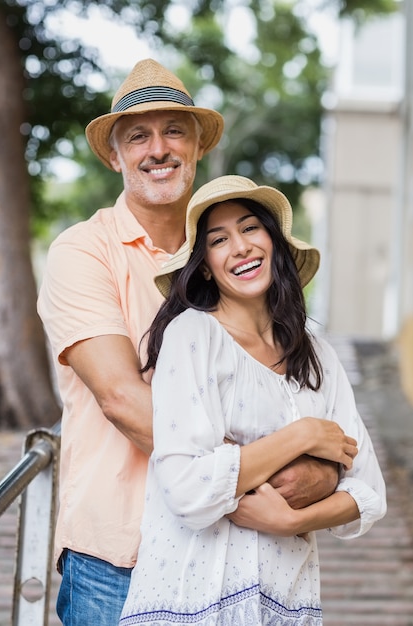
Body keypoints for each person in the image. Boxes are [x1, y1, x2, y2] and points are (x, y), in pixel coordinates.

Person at [37, 59, 338, 625]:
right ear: (114, 155)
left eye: (175, 130)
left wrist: (319, 470)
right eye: (138, 136)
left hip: (237, 559)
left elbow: (299, 394)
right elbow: (123, 399)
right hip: (120, 559)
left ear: (197, 146)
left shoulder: (234, 258)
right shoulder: (83, 252)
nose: (159, 149)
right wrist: (272, 468)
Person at [119, 175, 387, 626]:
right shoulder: (193, 336)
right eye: (218, 240)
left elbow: (368, 493)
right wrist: (303, 436)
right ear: (204, 265)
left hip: (286, 599)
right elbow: (186, 487)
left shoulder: (317, 354)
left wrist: (284, 520)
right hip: (193, 598)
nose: (240, 247)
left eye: (250, 228)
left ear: (274, 243)